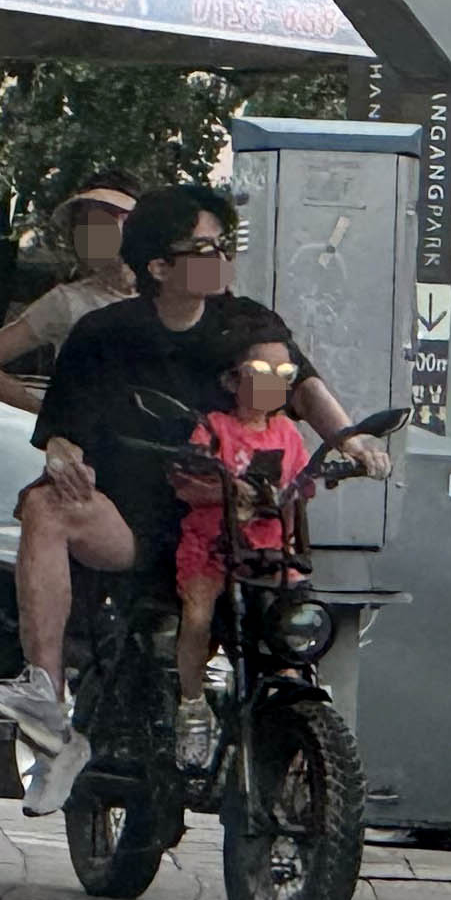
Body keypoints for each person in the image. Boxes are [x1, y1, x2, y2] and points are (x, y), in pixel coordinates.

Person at [0, 185, 391, 814]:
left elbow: (301, 386)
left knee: (290, 634)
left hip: (236, 526)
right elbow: (64, 429)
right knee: (44, 505)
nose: (218, 258)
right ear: (158, 267)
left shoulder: (248, 324)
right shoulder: (101, 333)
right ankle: (46, 703)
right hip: (133, 523)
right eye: (201, 248)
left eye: (224, 245)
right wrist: (63, 455)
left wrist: (351, 440)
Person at [172, 306, 311, 768]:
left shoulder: (289, 432)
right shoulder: (215, 428)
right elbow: (185, 480)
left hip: (269, 554)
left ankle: (294, 702)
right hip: (212, 549)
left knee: (293, 624)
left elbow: (298, 489)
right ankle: (191, 705)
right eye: (260, 371)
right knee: (198, 616)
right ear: (233, 379)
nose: (273, 380)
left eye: (284, 372)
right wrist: (224, 489)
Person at [0, 170, 141, 412]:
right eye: (82, 224)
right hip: (91, 448)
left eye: (104, 220)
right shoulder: (67, 302)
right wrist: (50, 415)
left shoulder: (173, 295)